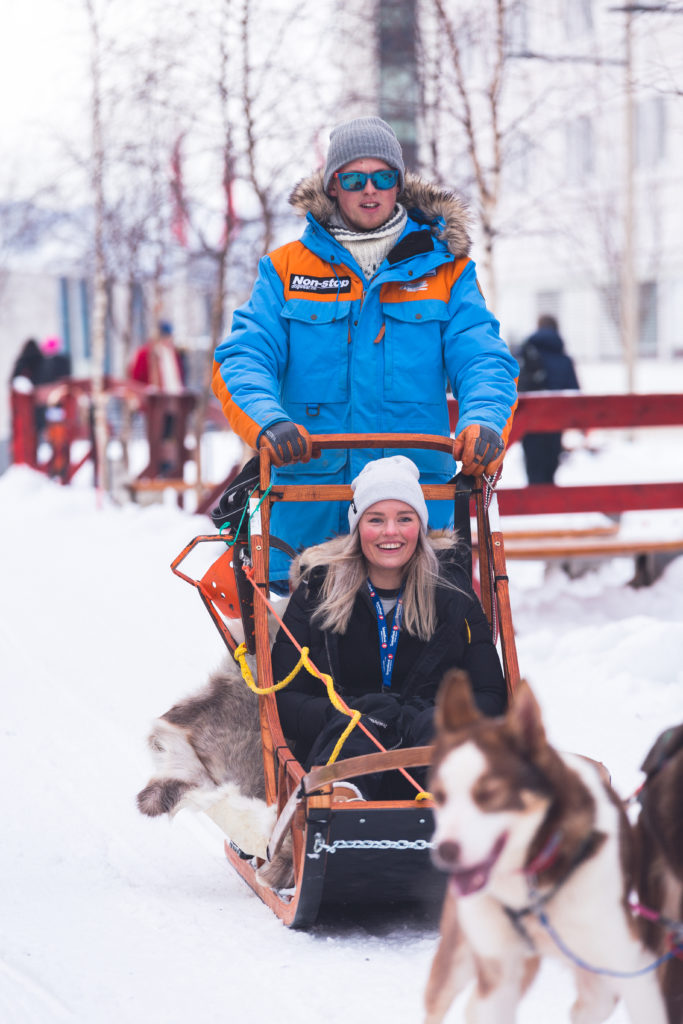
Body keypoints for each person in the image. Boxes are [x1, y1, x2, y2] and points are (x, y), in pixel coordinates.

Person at [212, 116, 519, 583]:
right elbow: (244, 357)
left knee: (431, 646)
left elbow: (483, 359)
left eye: (383, 177)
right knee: (304, 650)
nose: (369, 190)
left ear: (399, 183)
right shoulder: (286, 270)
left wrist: (485, 422)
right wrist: (268, 421)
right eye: (354, 179)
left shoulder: (448, 273)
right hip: (315, 510)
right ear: (333, 186)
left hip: (414, 515)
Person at [271, 456, 507, 799]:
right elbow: (285, 698)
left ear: (420, 526)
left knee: (436, 723)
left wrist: (420, 717)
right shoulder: (317, 591)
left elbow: (490, 695)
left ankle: (446, 811)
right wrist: (352, 717)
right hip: (341, 747)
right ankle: (342, 807)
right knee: (359, 726)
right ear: (358, 526)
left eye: (405, 518)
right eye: (376, 519)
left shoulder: (453, 594)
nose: (390, 532)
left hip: (431, 751)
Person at [517, 315, 580, 485]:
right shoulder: (564, 360)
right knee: (549, 470)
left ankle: (533, 505)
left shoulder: (527, 354)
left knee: (533, 469)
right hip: (555, 423)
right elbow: (575, 392)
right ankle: (548, 505)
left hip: (528, 422)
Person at [129, 321, 185, 392]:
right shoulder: (144, 353)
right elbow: (136, 380)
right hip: (151, 398)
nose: (169, 341)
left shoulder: (172, 354)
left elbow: (176, 379)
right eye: (166, 337)